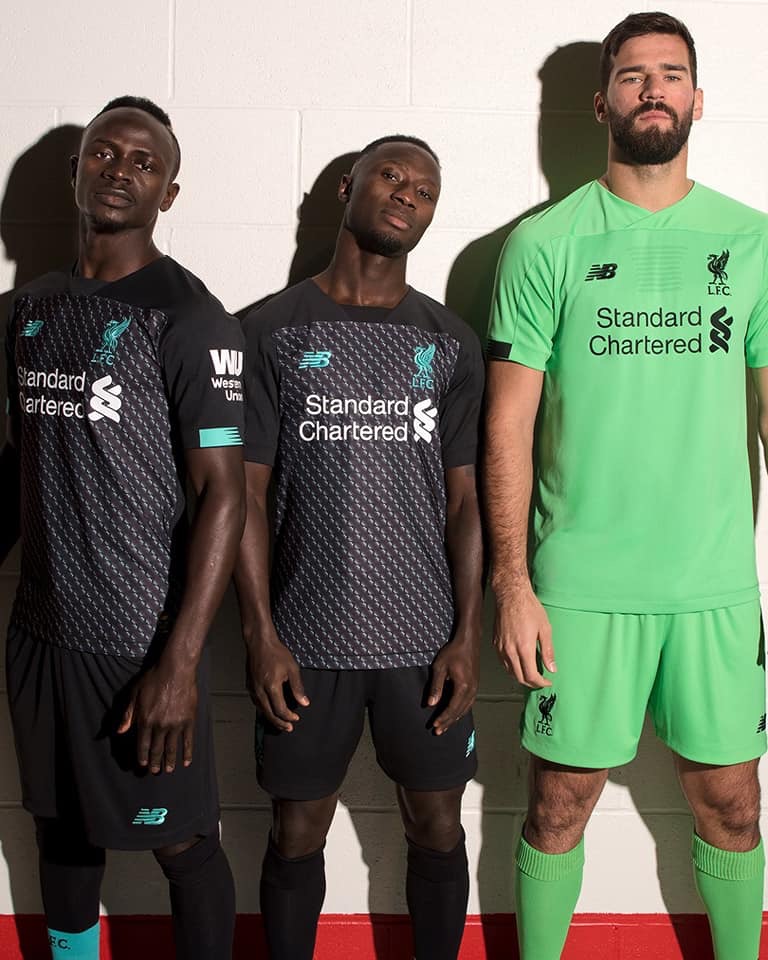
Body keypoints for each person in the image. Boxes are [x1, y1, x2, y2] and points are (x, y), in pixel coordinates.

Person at [485, 13, 766, 960]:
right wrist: (512, 585)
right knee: (558, 804)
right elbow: (507, 425)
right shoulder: (544, 244)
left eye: (671, 73)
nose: (654, 88)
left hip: (711, 587)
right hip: (579, 588)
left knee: (733, 804)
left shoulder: (752, 241)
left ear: (698, 99)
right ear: (600, 103)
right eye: (634, 74)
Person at [2, 96, 245, 960]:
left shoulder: (191, 317)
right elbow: (17, 466)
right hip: (40, 631)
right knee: (60, 828)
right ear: (77, 171)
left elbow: (224, 497)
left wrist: (178, 664)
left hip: (139, 642)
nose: (120, 170)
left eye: (146, 163)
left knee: (183, 843)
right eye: (105, 153)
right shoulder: (25, 310)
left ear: (168, 195)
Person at [235, 136, 484, 960]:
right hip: (307, 642)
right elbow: (245, 497)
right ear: (348, 187)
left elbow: (465, 502)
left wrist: (467, 634)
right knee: (296, 831)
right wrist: (260, 635)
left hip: (425, 645)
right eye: (392, 175)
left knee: (437, 824)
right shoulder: (268, 330)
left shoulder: (449, 342)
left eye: (426, 189)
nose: (408, 193)